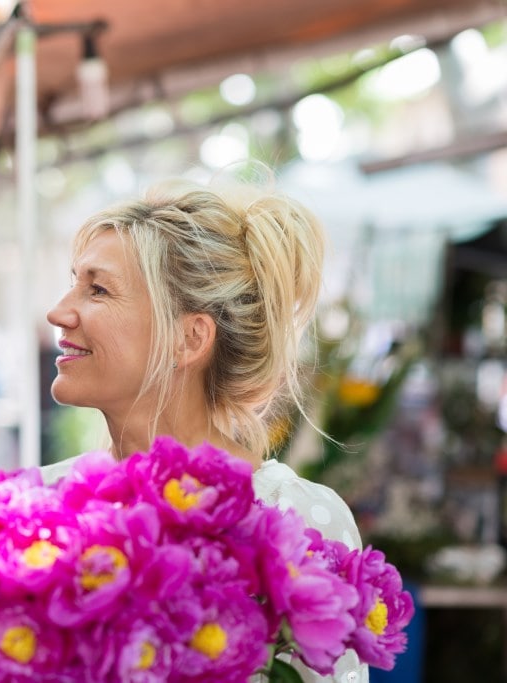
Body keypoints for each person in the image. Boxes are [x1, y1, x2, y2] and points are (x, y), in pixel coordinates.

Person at [42, 175, 368, 682]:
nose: (59, 311)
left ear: (189, 337)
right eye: (73, 282)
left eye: (97, 289)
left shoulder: (300, 522)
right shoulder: (43, 506)